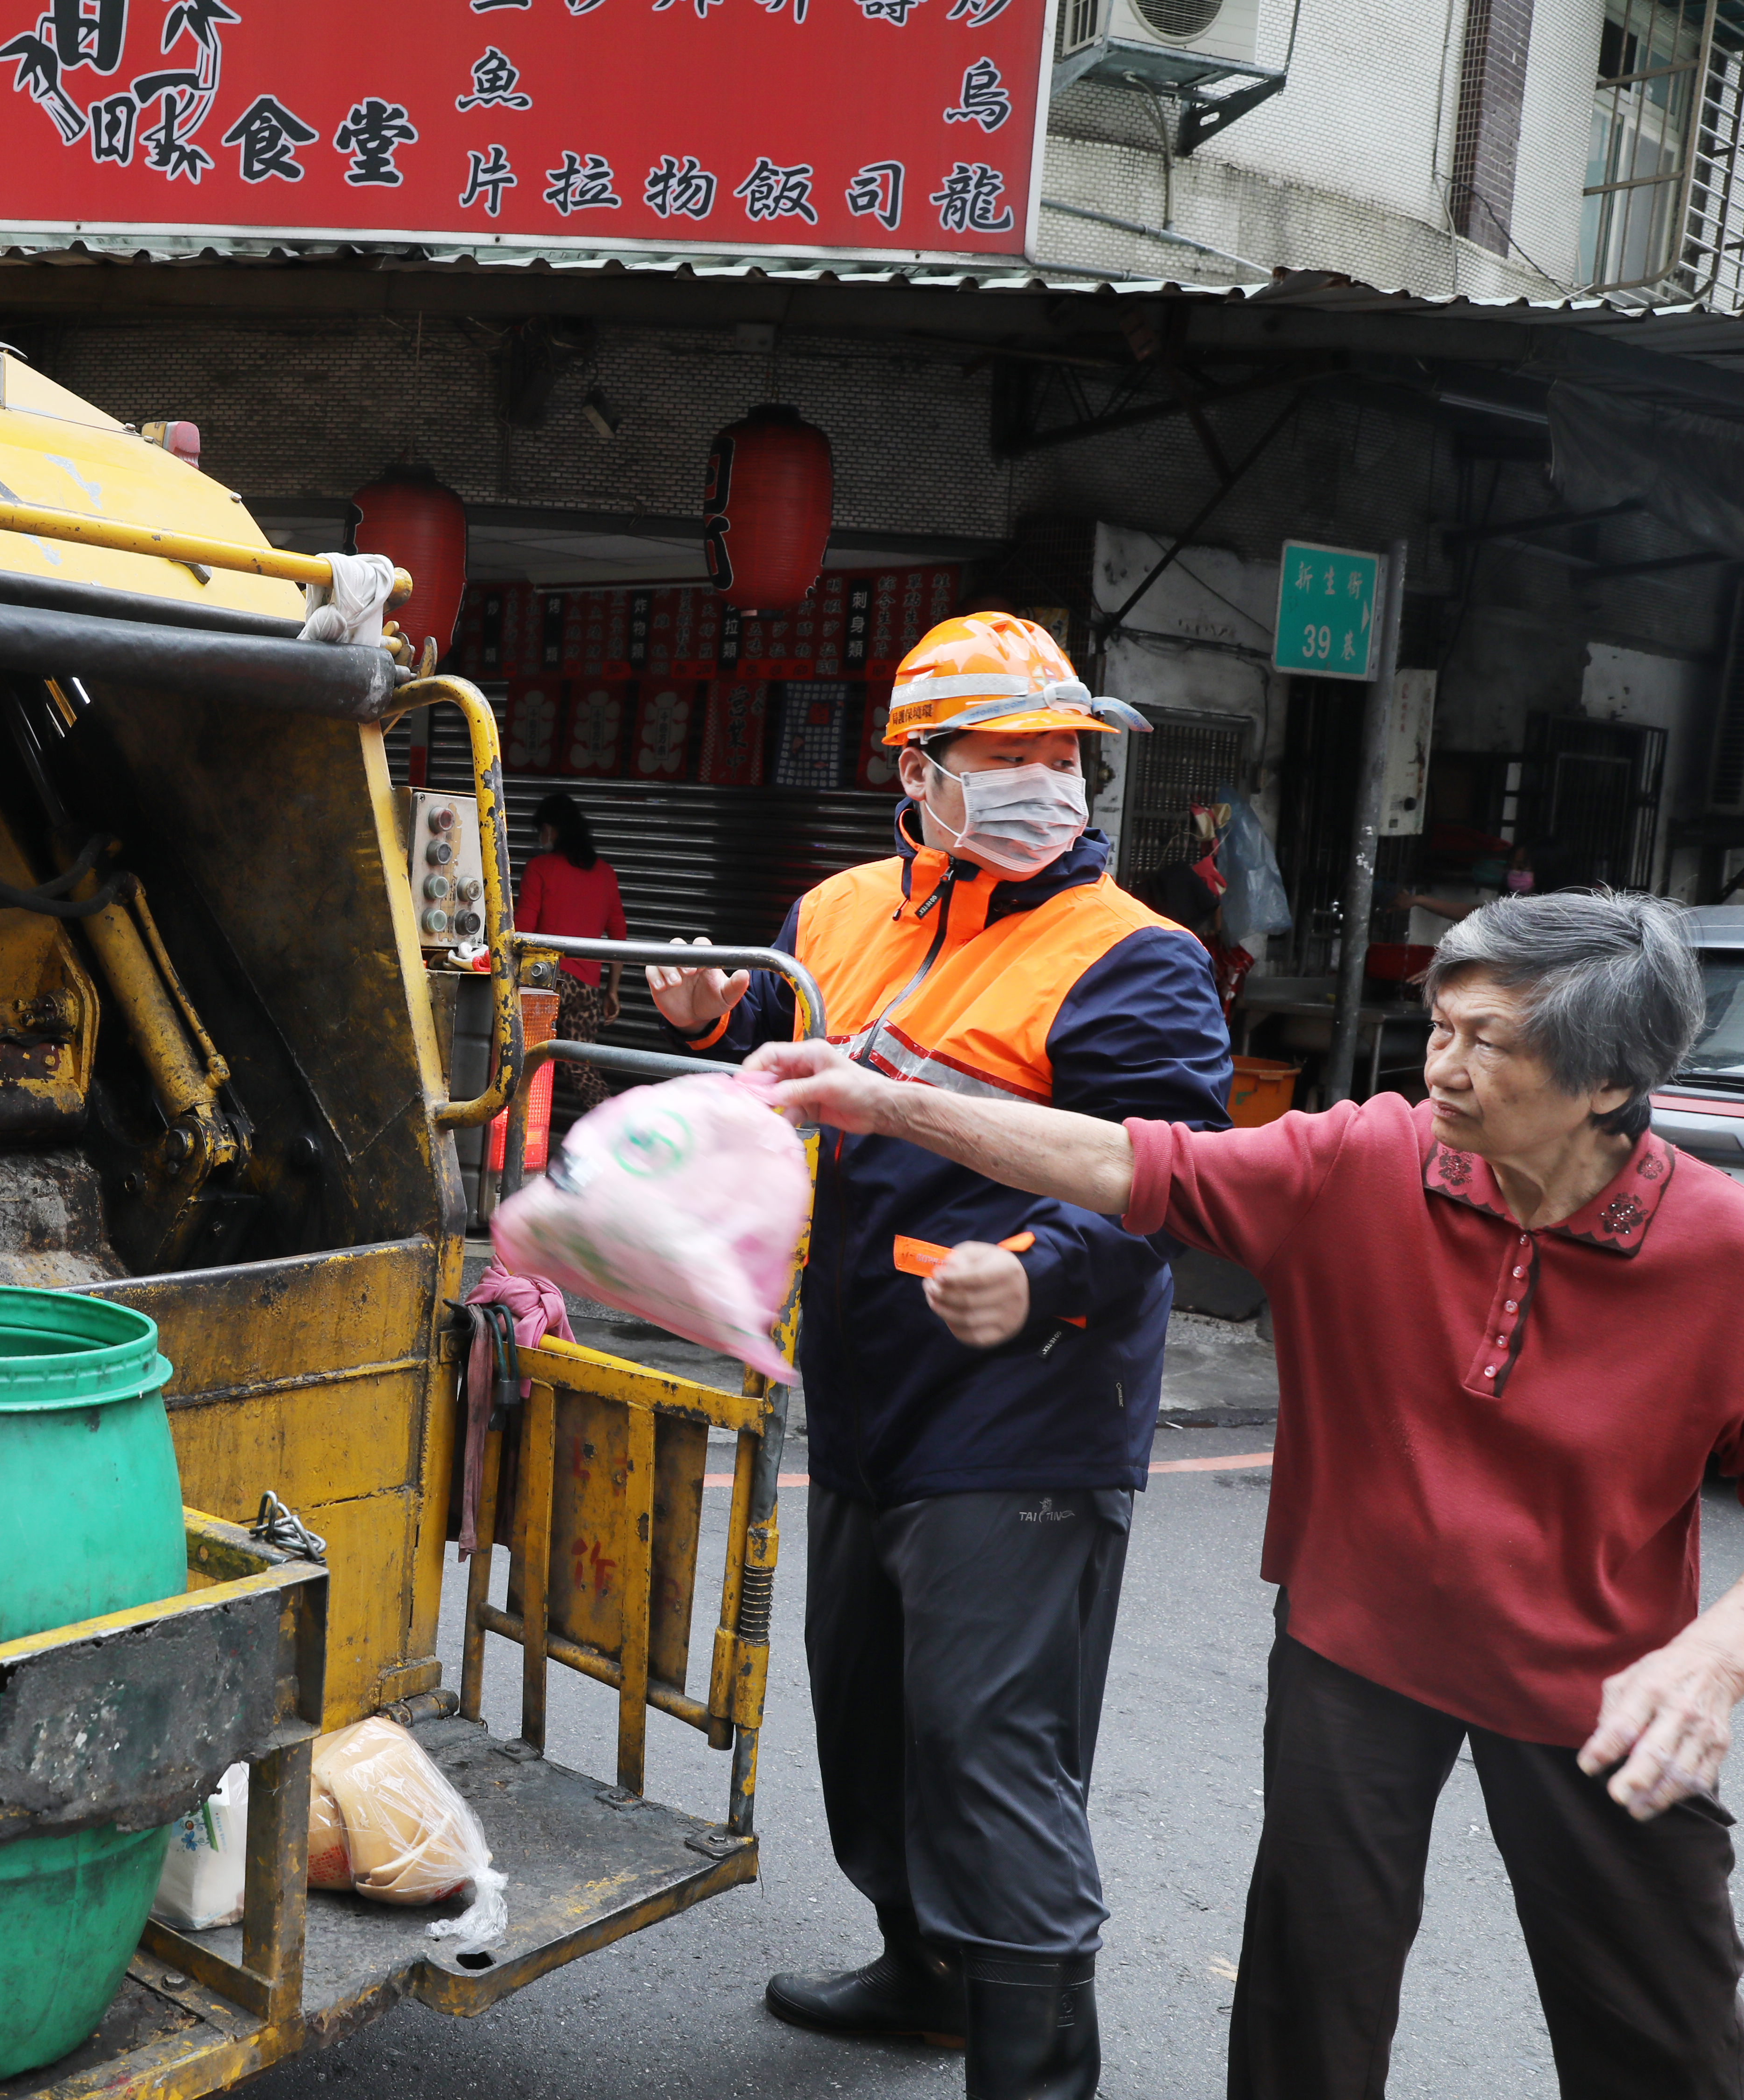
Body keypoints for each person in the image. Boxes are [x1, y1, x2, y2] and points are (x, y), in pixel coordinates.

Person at [747, 889, 1744, 2100]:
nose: (1439, 1065)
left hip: (1603, 1691)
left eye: (1486, 1041)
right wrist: (883, 1104)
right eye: (1437, 1026)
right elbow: (1134, 1159)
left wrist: (1714, 1659)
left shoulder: (1733, 1259)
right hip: (1355, 1652)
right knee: (1306, 2012)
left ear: (1608, 1085)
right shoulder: (1366, 1159)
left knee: (1667, 2041)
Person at [646, 613, 1231, 2100]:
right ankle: (922, 1971)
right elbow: (775, 1053)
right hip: (857, 1392)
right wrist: (714, 1013)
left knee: (988, 1740)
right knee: (869, 1717)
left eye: (1064, 755)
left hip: (1026, 1407)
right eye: (1008, 753)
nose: (1049, 779)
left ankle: (1032, 2065)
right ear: (914, 769)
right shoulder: (837, 907)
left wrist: (1039, 1270)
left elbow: (1164, 1175)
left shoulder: (1131, 957)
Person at [515, 792, 629, 1108]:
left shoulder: (540, 868)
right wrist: (613, 990)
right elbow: (619, 936)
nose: (540, 838)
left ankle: (519, 1137)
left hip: (544, 983)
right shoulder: (605, 874)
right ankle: (612, 1123)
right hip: (587, 989)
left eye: (541, 830)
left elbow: (523, 929)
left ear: (551, 830)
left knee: (527, 1064)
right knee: (582, 1071)